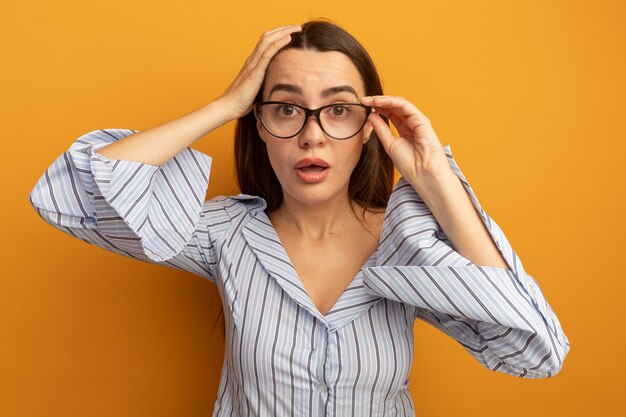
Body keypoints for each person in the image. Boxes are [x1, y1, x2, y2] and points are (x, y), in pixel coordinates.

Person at [29, 20, 570, 416]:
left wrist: (435, 179)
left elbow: (534, 350)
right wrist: (226, 104)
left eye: (338, 109)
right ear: (260, 126)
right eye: (285, 107)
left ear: (369, 126)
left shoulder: (408, 240)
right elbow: (68, 194)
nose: (312, 133)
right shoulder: (225, 234)